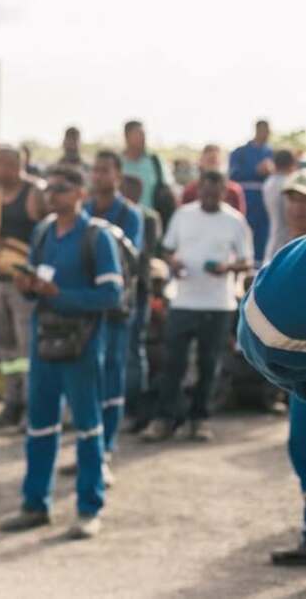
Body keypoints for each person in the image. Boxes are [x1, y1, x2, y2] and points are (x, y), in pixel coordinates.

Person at [0, 166, 123, 540]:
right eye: (48, 188)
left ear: (81, 193)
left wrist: (61, 296)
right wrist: (27, 286)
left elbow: (111, 295)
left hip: (82, 345)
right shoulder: (43, 232)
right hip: (44, 341)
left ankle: (89, 509)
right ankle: (35, 504)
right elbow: (37, 288)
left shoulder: (97, 237)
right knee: (40, 426)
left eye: (61, 188)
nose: (52, 194)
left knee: (87, 427)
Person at [142, 171, 253, 443]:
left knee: (209, 363)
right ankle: (165, 418)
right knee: (173, 363)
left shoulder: (234, 221)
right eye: (205, 191)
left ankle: (199, 418)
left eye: (215, 192)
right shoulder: (183, 215)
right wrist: (174, 263)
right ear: (198, 190)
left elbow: (246, 261)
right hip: (183, 300)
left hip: (218, 304)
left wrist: (227, 267)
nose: (209, 197)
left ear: (224, 192)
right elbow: (167, 249)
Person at [237, 171, 306, 566]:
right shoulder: (284, 249)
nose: (297, 206)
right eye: (292, 198)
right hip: (296, 375)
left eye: (304, 199)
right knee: (302, 447)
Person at [81, 151, 143, 465]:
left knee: (113, 371)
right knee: (89, 375)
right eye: (95, 170)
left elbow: (126, 258)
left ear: (118, 175)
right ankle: (90, 448)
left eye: (104, 171)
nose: (98, 176)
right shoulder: (84, 210)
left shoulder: (129, 214)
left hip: (116, 305)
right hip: (87, 307)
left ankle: (106, 446)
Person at [0, 145, 46, 427]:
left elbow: (48, 235)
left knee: (28, 346)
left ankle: (34, 407)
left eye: (0, 163)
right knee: (4, 344)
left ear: (16, 165)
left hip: (24, 284)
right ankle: (12, 401)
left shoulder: (36, 193)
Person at [121, 174, 163, 434]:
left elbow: (141, 254)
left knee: (133, 351)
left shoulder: (147, 218)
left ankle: (135, 408)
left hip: (137, 291)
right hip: (120, 292)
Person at [230, 119, 276, 263]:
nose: (267, 134)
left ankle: (259, 263)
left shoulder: (270, 152)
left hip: (265, 199)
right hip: (246, 197)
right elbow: (233, 174)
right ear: (258, 130)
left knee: (264, 233)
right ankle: (240, 261)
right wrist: (255, 170)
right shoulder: (240, 152)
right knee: (243, 230)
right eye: (265, 131)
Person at [121, 120, 175, 227]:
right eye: (138, 134)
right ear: (126, 136)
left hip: (149, 222)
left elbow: (168, 189)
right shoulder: (118, 163)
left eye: (144, 134)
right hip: (123, 221)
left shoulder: (155, 162)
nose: (143, 138)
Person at [181, 144, 245, 213]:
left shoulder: (233, 190)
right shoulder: (190, 190)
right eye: (209, 161)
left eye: (214, 161)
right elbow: (183, 214)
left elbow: (238, 216)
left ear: (220, 162)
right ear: (201, 162)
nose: (212, 165)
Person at [262, 149, 298, 259]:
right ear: (292, 163)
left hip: (274, 242)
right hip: (289, 245)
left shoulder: (268, 183)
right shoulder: (290, 184)